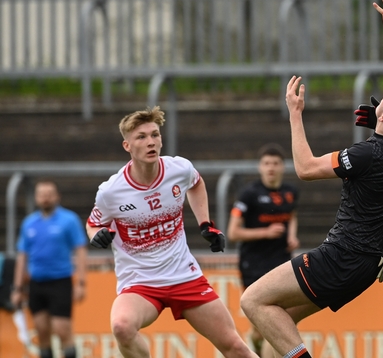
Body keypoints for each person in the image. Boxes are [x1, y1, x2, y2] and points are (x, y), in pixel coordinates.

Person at [239, 0, 383, 358]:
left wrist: (295, 115)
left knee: (252, 302)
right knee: (276, 323)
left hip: (342, 256)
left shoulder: (369, 154)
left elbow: (305, 169)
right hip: (368, 264)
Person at [85, 106, 257, 358]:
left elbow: (196, 184)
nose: (150, 142)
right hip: (140, 283)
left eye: (155, 134)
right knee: (121, 326)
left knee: (235, 346)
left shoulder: (179, 169)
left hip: (183, 276)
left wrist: (205, 224)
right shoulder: (111, 192)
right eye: (141, 137)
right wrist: (95, 235)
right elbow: (93, 223)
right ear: (127, 146)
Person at [227, 143, 300, 357]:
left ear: (282, 167)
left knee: (279, 319)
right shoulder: (248, 195)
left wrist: (292, 235)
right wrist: (265, 233)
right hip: (254, 264)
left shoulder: (290, 192)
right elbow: (233, 233)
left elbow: (291, 216)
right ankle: (256, 346)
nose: (271, 168)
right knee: (261, 326)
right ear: (260, 167)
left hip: (281, 262)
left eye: (275, 163)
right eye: (266, 163)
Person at [12, 180, 87, 358]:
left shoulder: (69, 220)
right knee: (42, 330)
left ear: (57, 196)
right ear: (36, 198)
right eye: (41, 195)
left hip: (60, 281)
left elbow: (80, 249)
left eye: (49, 194)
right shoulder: (29, 223)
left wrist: (82, 282)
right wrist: (17, 287)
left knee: (62, 329)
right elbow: (22, 256)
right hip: (36, 283)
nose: (45, 198)